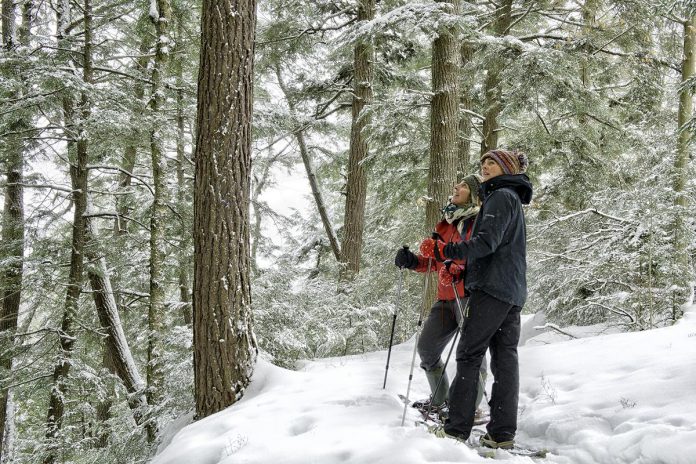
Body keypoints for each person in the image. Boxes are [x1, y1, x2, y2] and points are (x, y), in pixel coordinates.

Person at [436, 149, 532, 449]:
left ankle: (455, 431)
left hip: (492, 289)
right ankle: (501, 435)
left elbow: (486, 243)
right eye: (483, 163)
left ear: (505, 168)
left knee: (469, 354)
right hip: (511, 291)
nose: (485, 167)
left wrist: (447, 252)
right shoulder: (512, 199)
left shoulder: (501, 196)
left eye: (492, 162)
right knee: (505, 361)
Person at [394, 174, 488, 419]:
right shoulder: (445, 223)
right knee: (427, 348)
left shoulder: (479, 220)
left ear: (475, 194)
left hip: (470, 295)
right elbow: (437, 261)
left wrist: (457, 267)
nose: (456, 187)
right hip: (446, 297)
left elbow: (480, 255)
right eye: (456, 184)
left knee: (471, 353)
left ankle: (469, 407)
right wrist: (413, 261)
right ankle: (440, 400)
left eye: (464, 186)